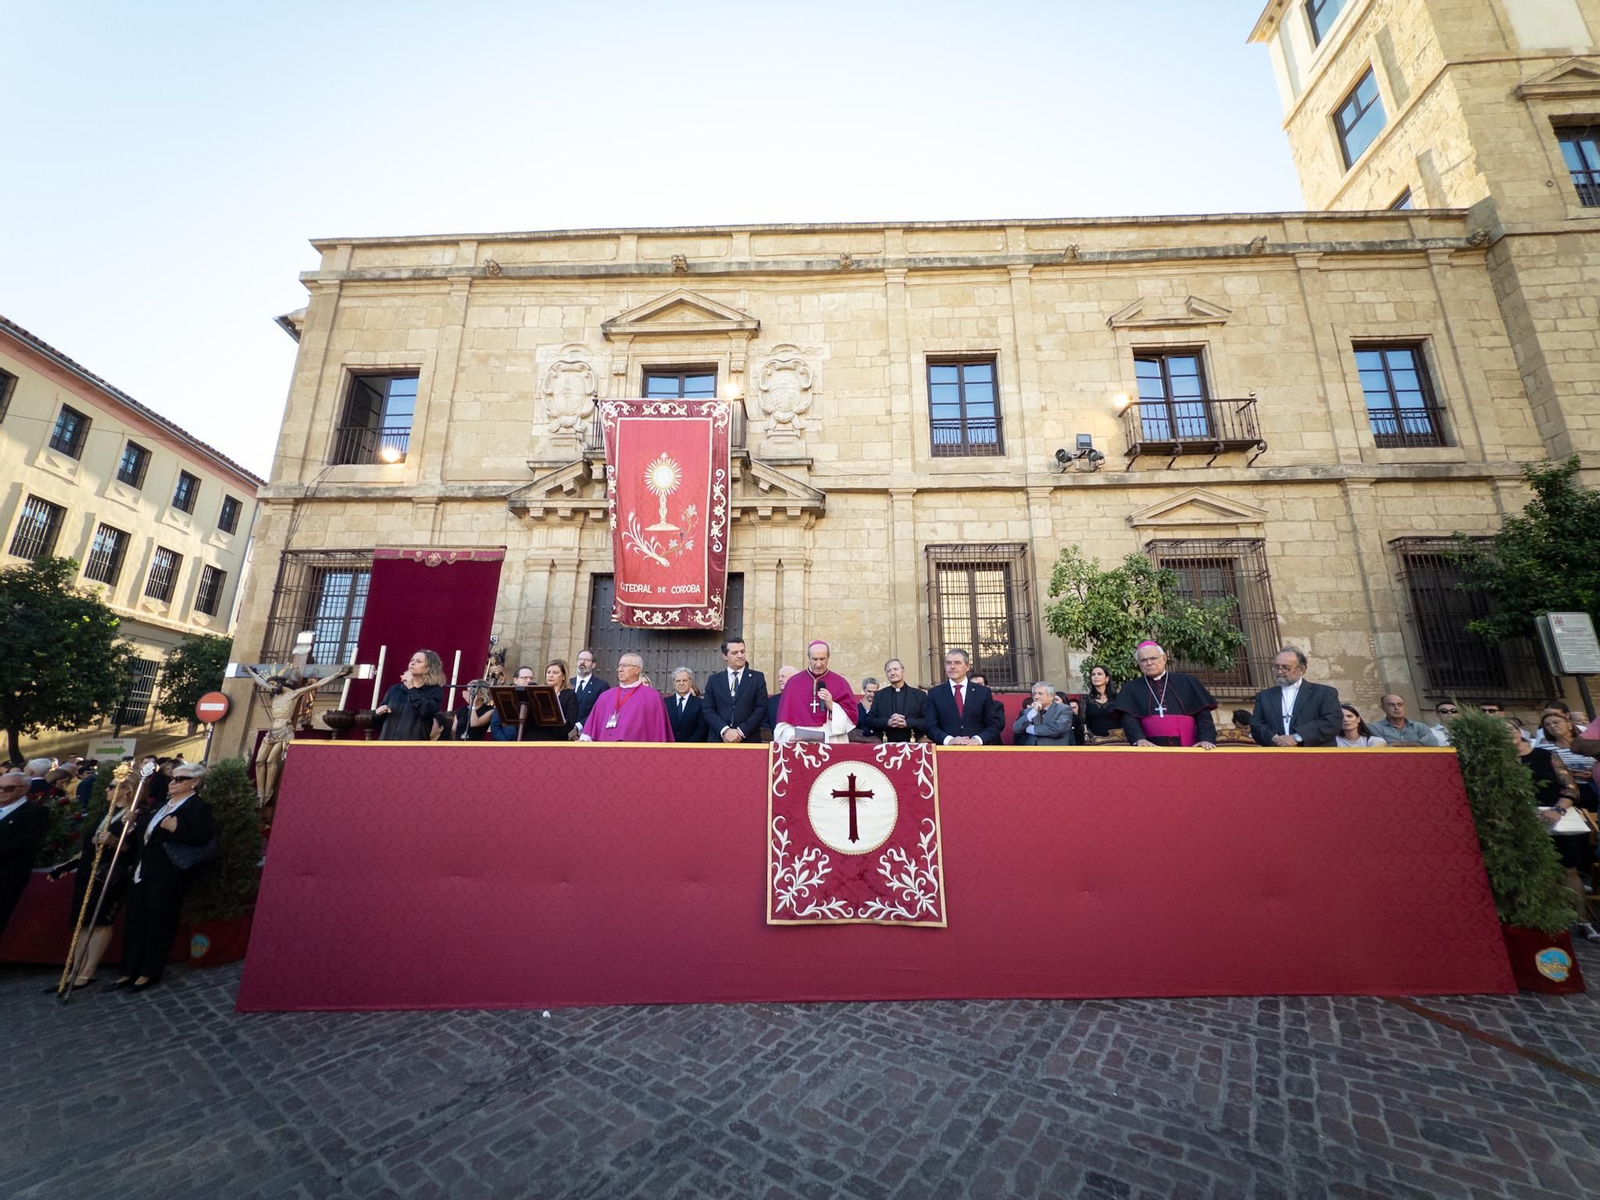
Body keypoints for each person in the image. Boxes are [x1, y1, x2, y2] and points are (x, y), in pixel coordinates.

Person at [114, 763, 217, 992]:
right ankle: (129, 969)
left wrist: (177, 829)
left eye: (180, 779)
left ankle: (149, 970)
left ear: (194, 783)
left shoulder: (198, 808)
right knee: (135, 921)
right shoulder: (159, 806)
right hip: (142, 870)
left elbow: (204, 838)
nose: (173, 782)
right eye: (173, 778)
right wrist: (133, 823)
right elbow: (147, 837)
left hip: (167, 874)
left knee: (159, 923)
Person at [46, 762, 140, 991]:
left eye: (111, 786)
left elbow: (135, 851)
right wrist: (66, 866)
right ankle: (75, 967)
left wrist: (114, 841)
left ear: (126, 789)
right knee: (82, 923)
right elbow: (88, 846)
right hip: (88, 871)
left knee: (99, 922)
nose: (106, 790)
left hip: (109, 876)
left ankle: (88, 971)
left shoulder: (133, 816)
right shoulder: (104, 813)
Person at [1511, 719, 1599, 934]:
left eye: (1509, 729)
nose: (1505, 734)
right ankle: (1547, 917)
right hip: (1520, 822)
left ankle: (1582, 921)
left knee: (1569, 870)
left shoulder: (1545, 755)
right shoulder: (1495, 760)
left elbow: (1569, 787)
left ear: (1520, 732)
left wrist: (1557, 810)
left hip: (1555, 819)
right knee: (1533, 870)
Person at [1112, 641, 1218, 748]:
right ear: (1139, 664)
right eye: (1143, 660)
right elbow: (1129, 719)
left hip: (1188, 746)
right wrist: (1139, 739)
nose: (1149, 663)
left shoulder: (1187, 681)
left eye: (1153, 658)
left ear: (1164, 659)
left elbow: (1203, 715)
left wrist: (1206, 739)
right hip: (1149, 748)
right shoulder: (1130, 688)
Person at [1249, 647, 1342, 747]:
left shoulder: (1324, 693)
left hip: (1314, 755)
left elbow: (1331, 722)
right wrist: (1275, 738)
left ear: (1301, 670)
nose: (1279, 672)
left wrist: (1297, 737)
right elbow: (1256, 725)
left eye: (1286, 667)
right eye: (1276, 667)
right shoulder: (1264, 696)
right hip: (1277, 754)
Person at [772, 641, 860, 745]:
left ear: (828, 657)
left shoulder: (840, 683)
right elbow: (783, 720)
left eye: (822, 659)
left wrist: (832, 706)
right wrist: (790, 735)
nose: (818, 664)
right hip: (799, 742)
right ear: (808, 658)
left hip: (830, 738)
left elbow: (851, 718)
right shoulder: (793, 683)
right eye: (815, 659)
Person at [0, 771, 49, 942]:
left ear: (24, 789)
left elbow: (27, 842)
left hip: (6, 877)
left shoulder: (34, 812)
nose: (2, 791)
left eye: (8, 788)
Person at [580, 653, 673, 743]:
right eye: (619, 666)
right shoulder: (605, 696)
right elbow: (590, 729)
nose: (620, 669)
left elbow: (659, 733)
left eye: (625, 666)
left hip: (636, 753)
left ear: (637, 670)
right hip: (606, 752)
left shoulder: (652, 697)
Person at [925, 648, 1005, 746]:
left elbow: (994, 724)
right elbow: (930, 726)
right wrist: (949, 740)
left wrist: (977, 740)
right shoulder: (935, 693)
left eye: (957, 663)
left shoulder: (983, 692)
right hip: (946, 752)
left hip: (977, 752)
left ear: (967, 667)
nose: (952, 667)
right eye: (948, 663)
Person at [701, 638, 768, 744]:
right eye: (735, 653)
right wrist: (725, 731)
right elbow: (707, 709)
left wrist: (740, 732)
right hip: (719, 740)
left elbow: (761, 708)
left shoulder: (757, 678)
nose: (740, 655)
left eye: (742, 651)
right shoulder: (714, 680)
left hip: (748, 739)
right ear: (724, 656)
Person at [375, 650, 446, 741]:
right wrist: (378, 713)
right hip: (387, 743)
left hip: (413, 745)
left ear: (430, 667)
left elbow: (426, 711)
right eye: (412, 660)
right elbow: (376, 721)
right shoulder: (395, 689)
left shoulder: (434, 691)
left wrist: (411, 688)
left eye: (418, 661)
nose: (412, 663)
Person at [859, 658, 929, 743]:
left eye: (896, 669)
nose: (892, 673)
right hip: (885, 744)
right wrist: (887, 722)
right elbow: (869, 720)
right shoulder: (879, 695)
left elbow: (928, 721)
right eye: (889, 671)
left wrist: (907, 723)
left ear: (903, 671)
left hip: (914, 743)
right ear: (886, 674)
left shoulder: (919, 695)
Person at [1540, 711, 1597, 810]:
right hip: (1566, 790)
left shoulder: (1587, 743)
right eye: (1547, 725)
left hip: (1594, 784)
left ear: (1569, 725)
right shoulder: (1544, 748)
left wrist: (1593, 774)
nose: (1552, 726)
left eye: (1556, 722)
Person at [1367, 694, 1440, 746]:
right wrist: (1419, 743)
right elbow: (1381, 747)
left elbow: (1432, 742)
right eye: (1391, 705)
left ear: (1404, 707)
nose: (1396, 708)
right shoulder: (1375, 728)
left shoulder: (1420, 727)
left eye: (1400, 704)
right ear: (1383, 708)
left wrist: (1397, 744)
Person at [489, 667, 539, 740]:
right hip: (506, 742)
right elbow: (495, 725)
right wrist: (505, 744)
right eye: (524, 678)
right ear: (515, 680)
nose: (528, 681)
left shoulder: (536, 698)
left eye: (531, 678)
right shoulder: (505, 697)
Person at [570, 649, 611, 729]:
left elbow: (600, 711)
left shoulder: (601, 686)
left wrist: (578, 727)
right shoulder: (568, 683)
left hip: (587, 732)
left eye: (587, 660)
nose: (582, 662)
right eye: (580, 659)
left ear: (593, 665)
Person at [665, 668, 707, 744]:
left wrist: (687, 746)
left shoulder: (700, 703)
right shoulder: (665, 703)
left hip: (692, 748)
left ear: (690, 682)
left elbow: (702, 728)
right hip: (669, 748)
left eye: (684, 680)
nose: (681, 683)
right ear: (674, 683)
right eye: (678, 681)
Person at [1081, 666, 1120, 740]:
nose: (1096, 676)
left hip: (1116, 740)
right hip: (1095, 741)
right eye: (1093, 674)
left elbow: (1124, 719)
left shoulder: (1117, 698)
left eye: (1099, 674)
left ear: (1107, 678)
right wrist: (1093, 737)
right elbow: (1082, 722)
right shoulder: (1086, 699)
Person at [763, 666, 798, 740]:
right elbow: (764, 724)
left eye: (783, 676)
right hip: (776, 742)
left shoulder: (803, 699)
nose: (780, 680)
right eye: (778, 677)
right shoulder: (771, 701)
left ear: (794, 678)